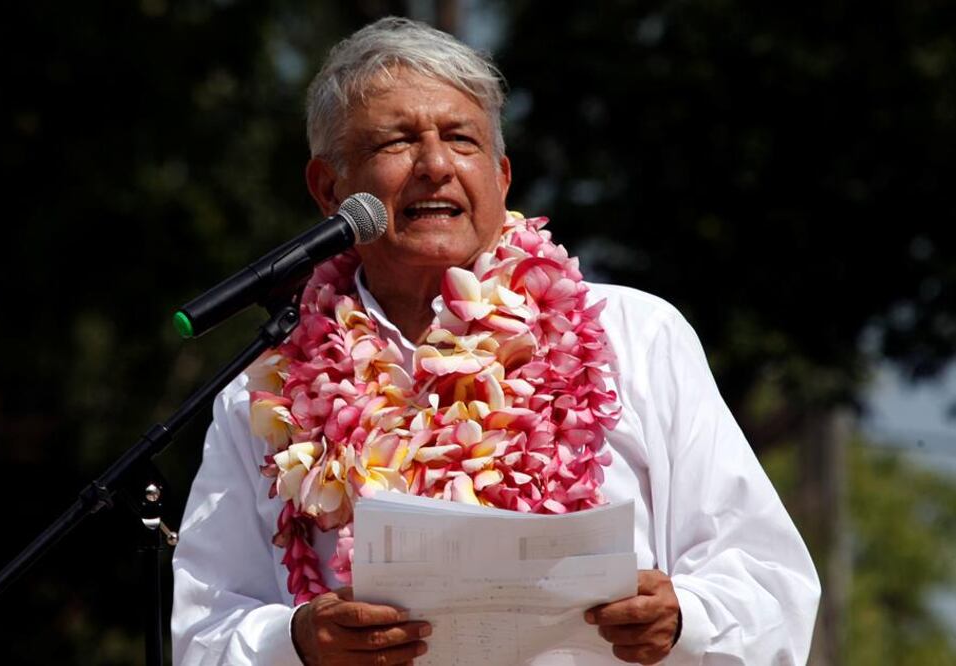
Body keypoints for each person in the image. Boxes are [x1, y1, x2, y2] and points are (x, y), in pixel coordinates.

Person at [171, 16, 820, 666]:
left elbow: (770, 585)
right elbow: (200, 634)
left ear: (502, 176)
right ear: (327, 189)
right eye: (396, 143)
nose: (434, 166)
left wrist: (684, 621)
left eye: (460, 139)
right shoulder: (265, 396)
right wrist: (298, 643)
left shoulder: (634, 334)